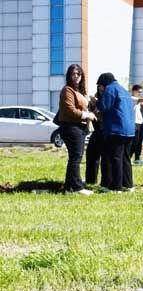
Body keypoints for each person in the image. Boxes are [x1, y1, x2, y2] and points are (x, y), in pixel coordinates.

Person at [57, 64, 95, 195]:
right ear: (69, 76)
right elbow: (69, 110)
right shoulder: (67, 90)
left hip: (79, 127)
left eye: (78, 74)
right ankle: (78, 188)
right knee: (76, 157)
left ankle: (69, 187)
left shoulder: (80, 91)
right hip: (70, 127)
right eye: (73, 74)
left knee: (75, 157)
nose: (76, 76)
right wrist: (87, 115)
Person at [95, 73, 135, 191]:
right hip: (130, 130)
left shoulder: (110, 89)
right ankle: (128, 185)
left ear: (103, 83)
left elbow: (104, 106)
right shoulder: (124, 90)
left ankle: (116, 187)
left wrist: (96, 101)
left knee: (115, 158)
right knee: (125, 158)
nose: (100, 88)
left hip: (117, 129)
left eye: (99, 86)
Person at [130, 84, 143, 163]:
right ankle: (129, 156)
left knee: (139, 141)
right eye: (139, 92)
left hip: (140, 122)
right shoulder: (131, 98)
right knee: (134, 141)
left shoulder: (137, 100)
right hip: (134, 122)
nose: (140, 93)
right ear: (134, 91)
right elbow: (141, 100)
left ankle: (137, 158)